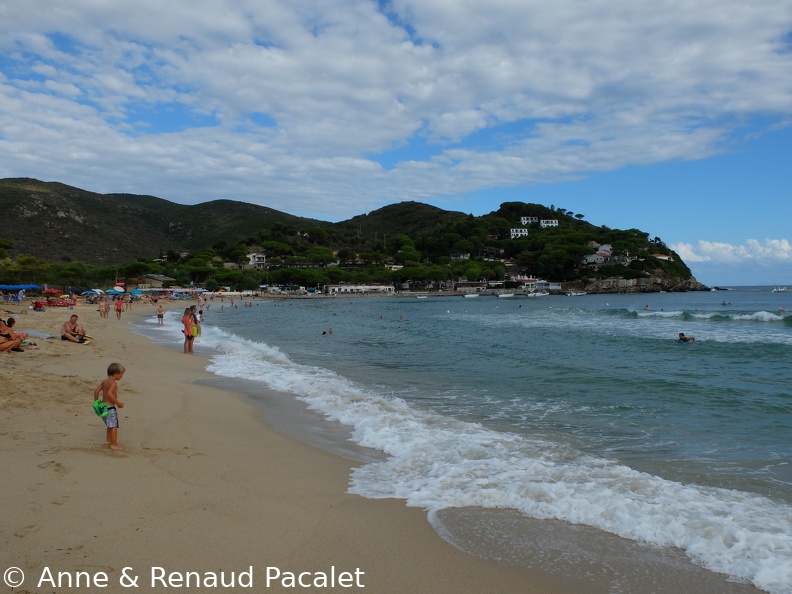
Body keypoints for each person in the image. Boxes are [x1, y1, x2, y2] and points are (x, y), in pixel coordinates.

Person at [94, 362, 126, 450]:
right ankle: (114, 444)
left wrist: (97, 402)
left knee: (109, 425)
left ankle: (108, 440)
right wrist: (118, 403)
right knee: (113, 426)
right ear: (116, 374)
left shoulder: (104, 381)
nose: (122, 376)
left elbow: (96, 391)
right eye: (121, 374)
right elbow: (110, 394)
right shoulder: (113, 383)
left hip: (103, 407)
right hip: (110, 408)